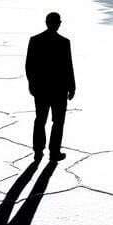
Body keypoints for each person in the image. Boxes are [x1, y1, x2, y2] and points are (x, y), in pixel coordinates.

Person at [25, 11, 76, 162]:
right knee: (57, 122)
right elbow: (68, 67)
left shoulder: (35, 40)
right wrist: (72, 87)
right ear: (58, 24)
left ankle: (38, 151)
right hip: (58, 90)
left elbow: (29, 66)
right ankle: (54, 152)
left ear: (46, 23)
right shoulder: (64, 42)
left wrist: (32, 84)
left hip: (41, 89)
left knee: (40, 120)